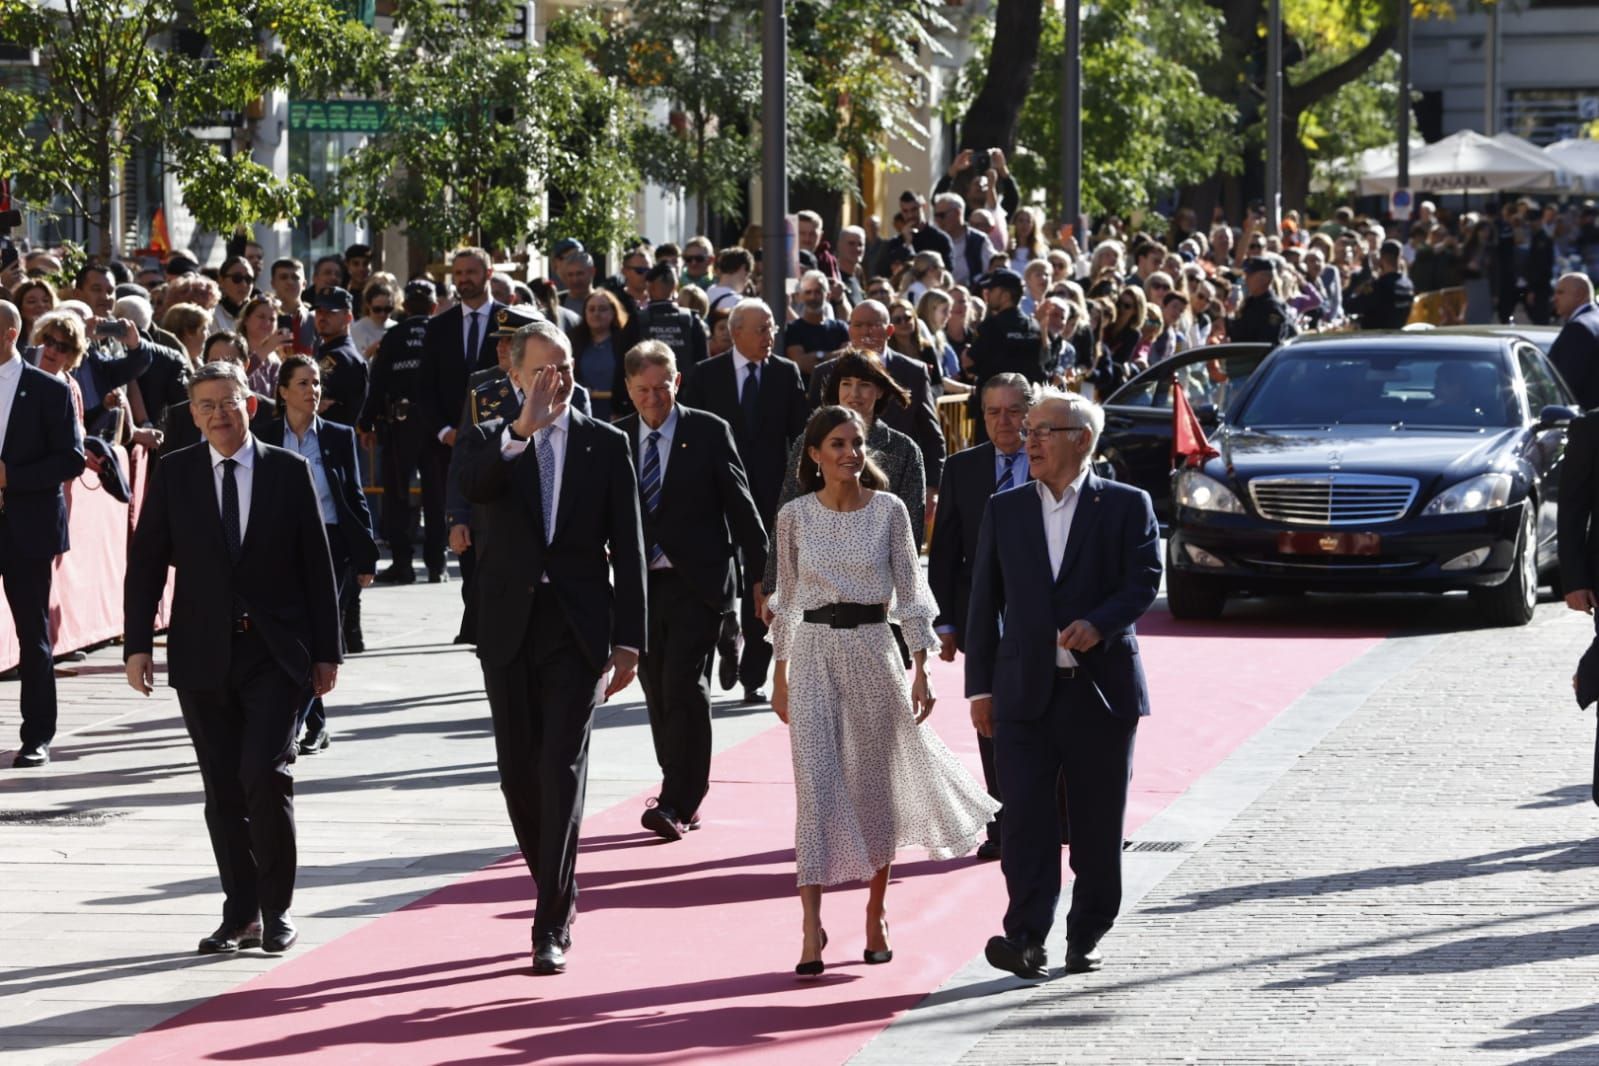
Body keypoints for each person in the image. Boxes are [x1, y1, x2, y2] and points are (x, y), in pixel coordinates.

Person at [766, 405, 999, 977]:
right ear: (815, 455)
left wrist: (921, 666)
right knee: (815, 787)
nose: (850, 453)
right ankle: (810, 926)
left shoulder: (890, 511)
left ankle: (875, 913)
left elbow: (912, 592)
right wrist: (779, 672)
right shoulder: (794, 516)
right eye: (837, 444)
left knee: (875, 789)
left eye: (856, 443)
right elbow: (788, 599)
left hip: (875, 649)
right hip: (815, 656)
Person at [123, 360, 342, 955]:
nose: (218, 414)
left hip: (275, 653)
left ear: (251, 404)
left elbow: (318, 570)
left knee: (265, 777)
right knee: (222, 789)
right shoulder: (175, 473)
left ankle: (276, 910)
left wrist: (328, 652)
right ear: (191, 415)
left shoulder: (287, 471)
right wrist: (137, 644)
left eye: (228, 402)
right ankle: (239, 912)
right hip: (201, 653)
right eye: (205, 406)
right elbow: (146, 563)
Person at [457, 318, 646, 976]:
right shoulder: (488, 439)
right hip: (507, 625)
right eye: (542, 370)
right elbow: (472, 489)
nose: (556, 380)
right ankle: (557, 883)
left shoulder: (604, 443)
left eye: (563, 366)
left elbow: (629, 546)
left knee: (558, 766)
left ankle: (549, 918)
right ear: (513, 376)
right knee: (518, 772)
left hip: (576, 628)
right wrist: (518, 434)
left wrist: (629, 640)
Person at [966, 390, 1161, 981]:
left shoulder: (1128, 505)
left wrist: (1099, 624)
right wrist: (980, 690)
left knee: (1097, 824)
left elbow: (1144, 580)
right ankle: (1025, 937)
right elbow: (984, 604)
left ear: (1083, 439)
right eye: (1029, 428)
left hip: (1100, 695)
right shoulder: (1006, 508)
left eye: (1045, 429)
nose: (1031, 439)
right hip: (1023, 693)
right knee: (1024, 820)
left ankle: (1087, 934)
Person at [615, 341, 768, 841]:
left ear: (677, 382)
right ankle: (675, 783)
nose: (654, 399)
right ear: (629, 390)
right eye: (643, 390)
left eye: (663, 387)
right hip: (641, 587)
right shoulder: (616, 439)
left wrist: (762, 577)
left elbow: (741, 507)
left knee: (684, 684)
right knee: (655, 687)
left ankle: (681, 799)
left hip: (698, 583)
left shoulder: (706, 430)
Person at [679, 298, 809, 704]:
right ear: (736, 333)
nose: (770, 337)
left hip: (770, 498)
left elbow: (801, 438)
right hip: (715, 495)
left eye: (772, 328)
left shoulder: (786, 375)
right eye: (761, 329)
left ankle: (755, 671)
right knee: (719, 577)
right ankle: (725, 631)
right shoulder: (706, 376)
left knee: (765, 579)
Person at [929, 373, 1033, 859]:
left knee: (1041, 716)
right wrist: (945, 623)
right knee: (989, 716)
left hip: (1042, 615)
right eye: (994, 412)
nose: (1004, 422)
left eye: (1014, 411)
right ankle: (1002, 822)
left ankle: (1046, 814)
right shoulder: (963, 468)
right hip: (981, 615)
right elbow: (945, 551)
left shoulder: (1049, 461)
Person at [265, 355, 377, 755]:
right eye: (303, 384)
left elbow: (354, 496)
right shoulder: (264, 434)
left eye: (316, 384)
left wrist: (367, 555)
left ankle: (289, 730)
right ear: (282, 392)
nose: (313, 391)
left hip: (332, 545)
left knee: (320, 638)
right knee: (296, 639)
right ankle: (315, 724)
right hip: (279, 547)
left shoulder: (337, 435)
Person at [0, 301, 86, 768]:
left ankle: (37, 735)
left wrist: (10, 477)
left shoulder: (48, 390)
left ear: (12, 332)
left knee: (32, 632)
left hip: (27, 526)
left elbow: (71, 459)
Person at [767, 349, 925, 598]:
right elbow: (787, 513)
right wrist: (772, 587)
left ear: (880, 391)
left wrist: (901, 593)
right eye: (846, 384)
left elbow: (910, 530)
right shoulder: (808, 443)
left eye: (864, 385)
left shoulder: (904, 450)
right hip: (816, 588)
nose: (854, 394)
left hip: (877, 593)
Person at [808, 301, 946, 513]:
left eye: (873, 325)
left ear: (889, 330)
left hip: (897, 486)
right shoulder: (825, 373)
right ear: (849, 328)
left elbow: (930, 434)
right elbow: (811, 433)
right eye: (859, 325)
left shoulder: (912, 372)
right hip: (834, 495)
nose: (865, 332)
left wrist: (932, 488)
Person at [363, 279, 448, 584]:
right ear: (434, 305)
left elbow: (378, 382)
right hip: (439, 428)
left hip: (401, 423)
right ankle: (436, 564)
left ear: (404, 306)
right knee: (437, 497)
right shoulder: (445, 333)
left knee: (397, 495)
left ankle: (402, 563)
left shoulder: (394, 335)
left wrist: (366, 421)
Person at [964, 270, 1044, 442]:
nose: (987, 295)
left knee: (989, 460)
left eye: (991, 290)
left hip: (994, 408)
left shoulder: (991, 325)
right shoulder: (1033, 326)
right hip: (1022, 408)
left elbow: (970, 362)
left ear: (1005, 294)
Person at [635, 264, 709, 371]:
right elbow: (703, 365)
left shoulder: (637, 320)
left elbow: (624, 365)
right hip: (685, 386)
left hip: (645, 386)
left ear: (649, 286)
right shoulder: (692, 321)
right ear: (675, 286)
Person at [571, 288, 629, 421]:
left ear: (613, 312)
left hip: (617, 412)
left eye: (602, 309)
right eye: (591, 309)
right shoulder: (573, 340)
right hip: (582, 411)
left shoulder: (625, 341)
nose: (596, 313)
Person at [1547, 272, 1599, 411]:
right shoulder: (1593, 320)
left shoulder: (1579, 328)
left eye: (1560, 292)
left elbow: (1565, 386)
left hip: (1585, 423)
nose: (1554, 298)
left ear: (1580, 294)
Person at [785, 270, 850, 377]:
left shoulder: (841, 327)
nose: (813, 297)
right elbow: (800, 363)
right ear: (801, 296)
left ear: (828, 295)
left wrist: (818, 356)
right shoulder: (793, 329)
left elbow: (847, 359)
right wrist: (832, 357)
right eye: (808, 292)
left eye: (818, 292)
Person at [1225, 257, 1299, 346]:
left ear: (1266, 278)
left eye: (1250, 275)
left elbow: (1267, 344)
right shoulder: (1251, 301)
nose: (1245, 279)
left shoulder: (1271, 307)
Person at [1344, 240, 1415, 330]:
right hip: (1397, 335)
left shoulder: (1379, 286)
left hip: (1376, 337)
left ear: (1382, 258)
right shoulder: (1408, 284)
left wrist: (1355, 281)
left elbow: (1351, 306)